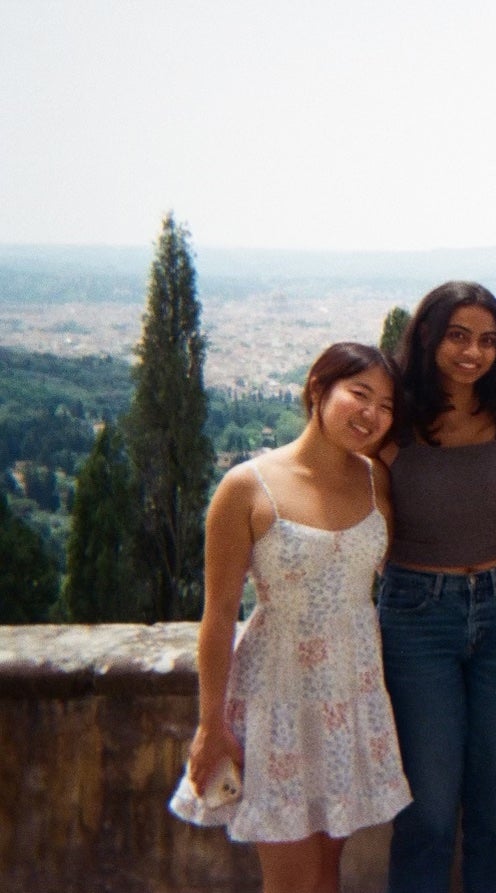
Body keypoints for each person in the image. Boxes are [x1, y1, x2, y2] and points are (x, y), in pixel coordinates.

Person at [169, 342, 411, 893]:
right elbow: (219, 615)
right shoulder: (247, 487)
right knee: (289, 880)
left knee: (327, 872)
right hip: (277, 697)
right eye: (360, 394)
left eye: (387, 406)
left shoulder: (377, 480)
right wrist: (211, 725)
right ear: (317, 389)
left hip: (350, 695)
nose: (371, 414)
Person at [377, 281, 496, 893]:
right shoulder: (391, 419)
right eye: (458, 335)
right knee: (427, 807)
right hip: (419, 615)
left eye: (487, 340)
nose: (473, 352)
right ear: (427, 335)